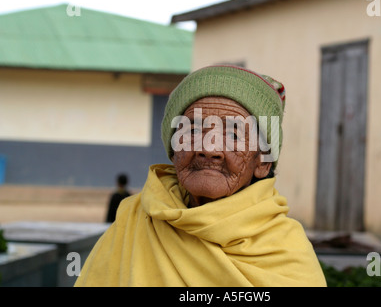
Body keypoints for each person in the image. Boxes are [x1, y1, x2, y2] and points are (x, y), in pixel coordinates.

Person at [75, 65, 326, 287]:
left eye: (234, 135)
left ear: (262, 162)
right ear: (174, 150)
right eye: (193, 130)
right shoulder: (135, 219)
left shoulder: (286, 252)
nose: (208, 148)